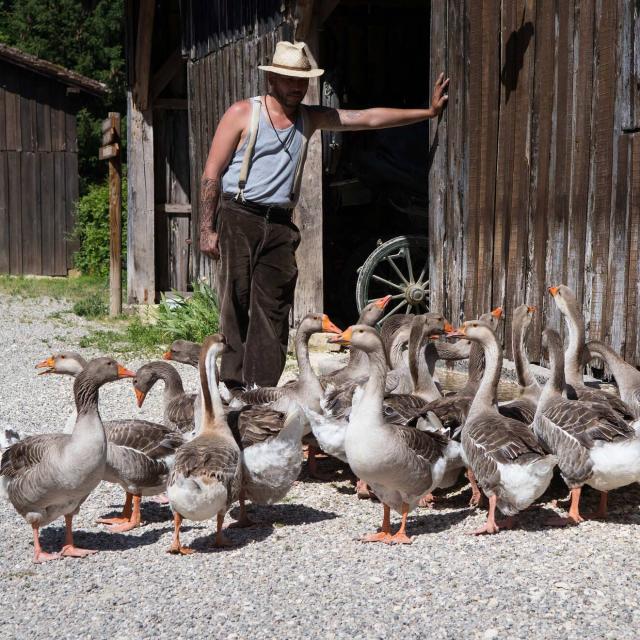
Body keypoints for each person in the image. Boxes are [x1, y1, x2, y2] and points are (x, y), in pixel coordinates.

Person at [200, 40, 449, 390]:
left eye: (302, 80)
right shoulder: (243, 112)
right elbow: (212, 173)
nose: (296, 86)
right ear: (272, 79)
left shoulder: (310, 118)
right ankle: (231, 384)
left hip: (281, 225)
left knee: (274, 309)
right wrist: (206, 229)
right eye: (289, 79)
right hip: (239, 215)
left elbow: (367, 118)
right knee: (235, 303)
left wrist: (428, 113)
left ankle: (262, 391)